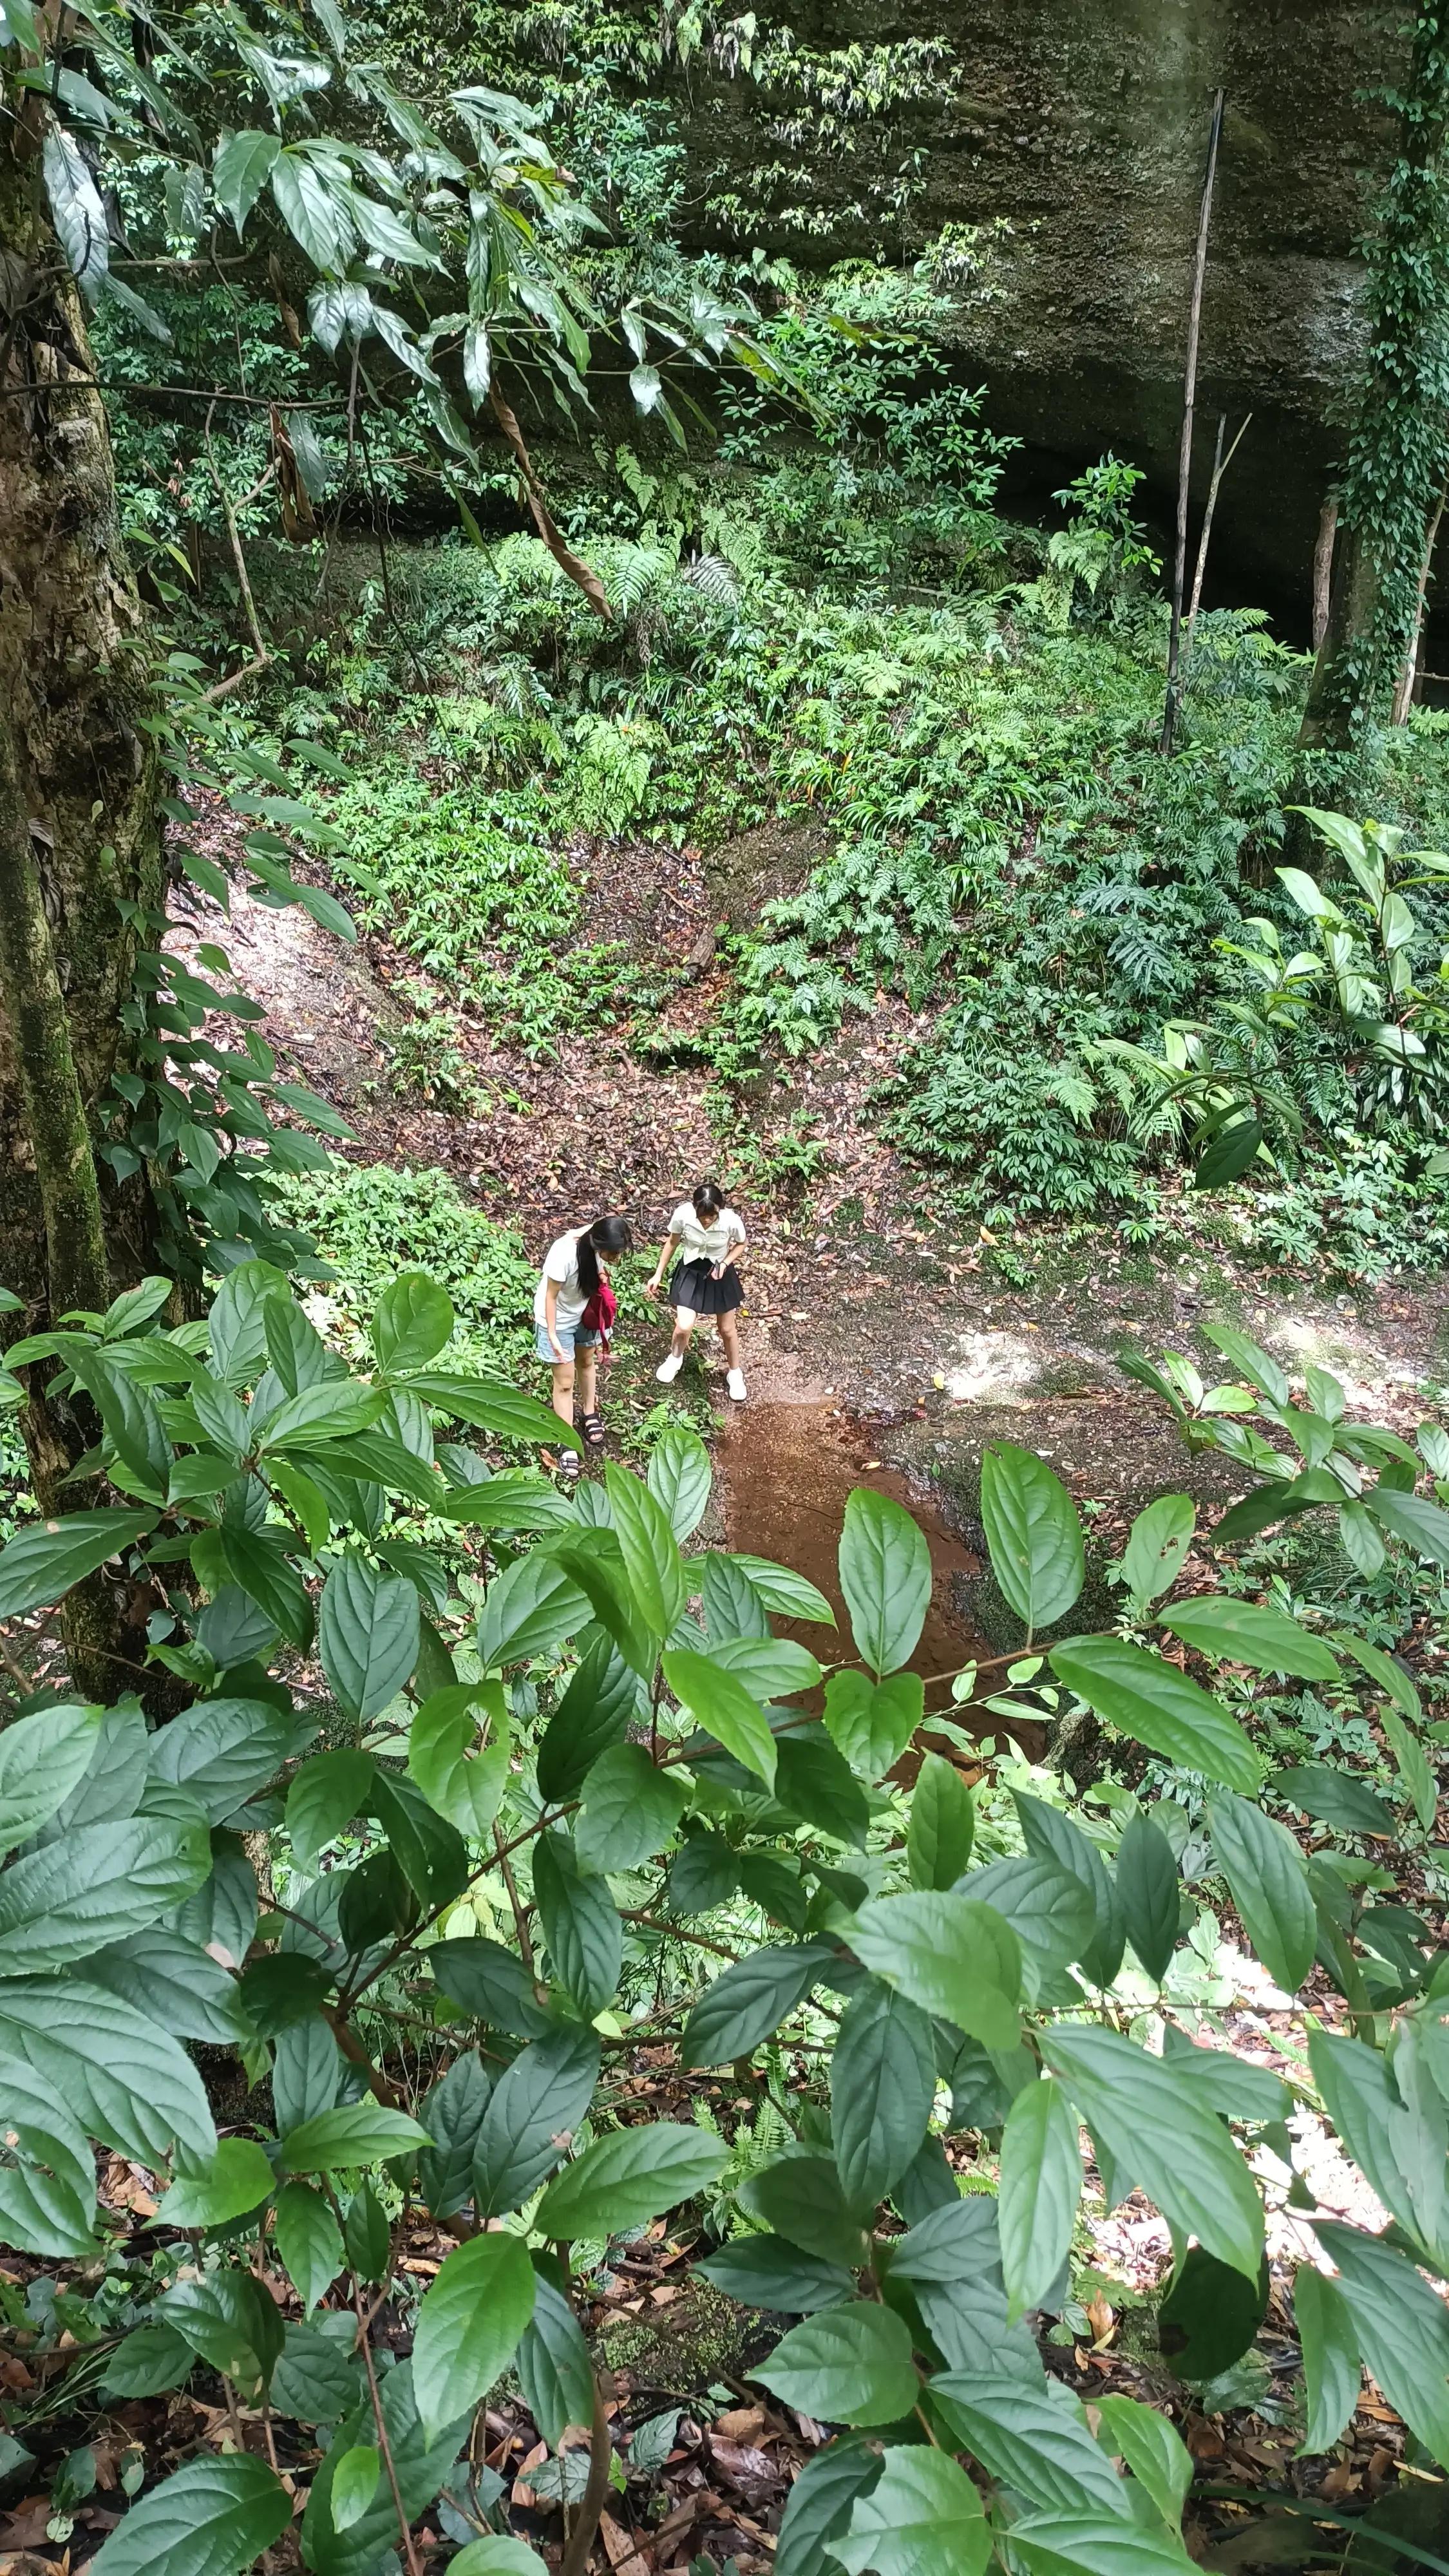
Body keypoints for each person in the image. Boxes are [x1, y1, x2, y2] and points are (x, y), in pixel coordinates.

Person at [534, 1213, 632, 1474]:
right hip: (558, 1318)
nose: (616, 1258)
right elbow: (550, 1296)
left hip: (586, 1312)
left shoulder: (596, 1235)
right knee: (564, 1382)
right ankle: (567, 1441)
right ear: (599, 1244)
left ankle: (589, 1412)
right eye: (613, 1253)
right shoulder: (563, 1255)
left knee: (587, 1362)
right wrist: (553, 1335)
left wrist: (600, 1274)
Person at [648, 1179, 748, 1401]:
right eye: (703, 1215)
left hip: (719, 1272)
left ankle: (735, 1373)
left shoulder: (731, 1221)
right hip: (690, 1271)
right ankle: (675, 1358)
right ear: (694, 1209)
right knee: (684, 1325)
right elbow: (672, 1243)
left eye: (712, 1215)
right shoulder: (682, 1215)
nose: (707, 1220)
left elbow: (741, 1243)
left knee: (727, 1329)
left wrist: (725, 1263)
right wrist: (658, 1274)